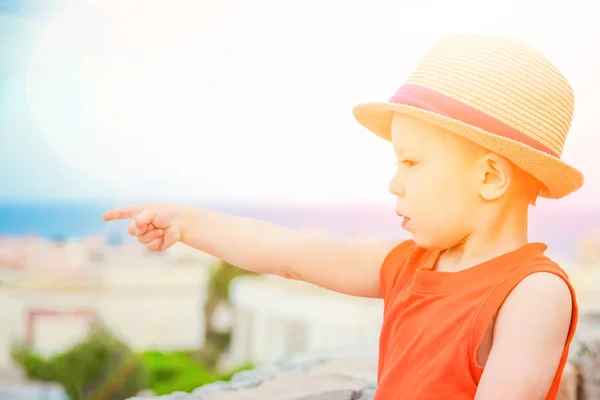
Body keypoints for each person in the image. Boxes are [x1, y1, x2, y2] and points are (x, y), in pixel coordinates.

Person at [103, 34, 582, 399]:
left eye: (411, 163)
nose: (395, 182)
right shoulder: (409, 264)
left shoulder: (534, 293)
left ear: (492, 178)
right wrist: (186, 221)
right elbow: (288, 253)